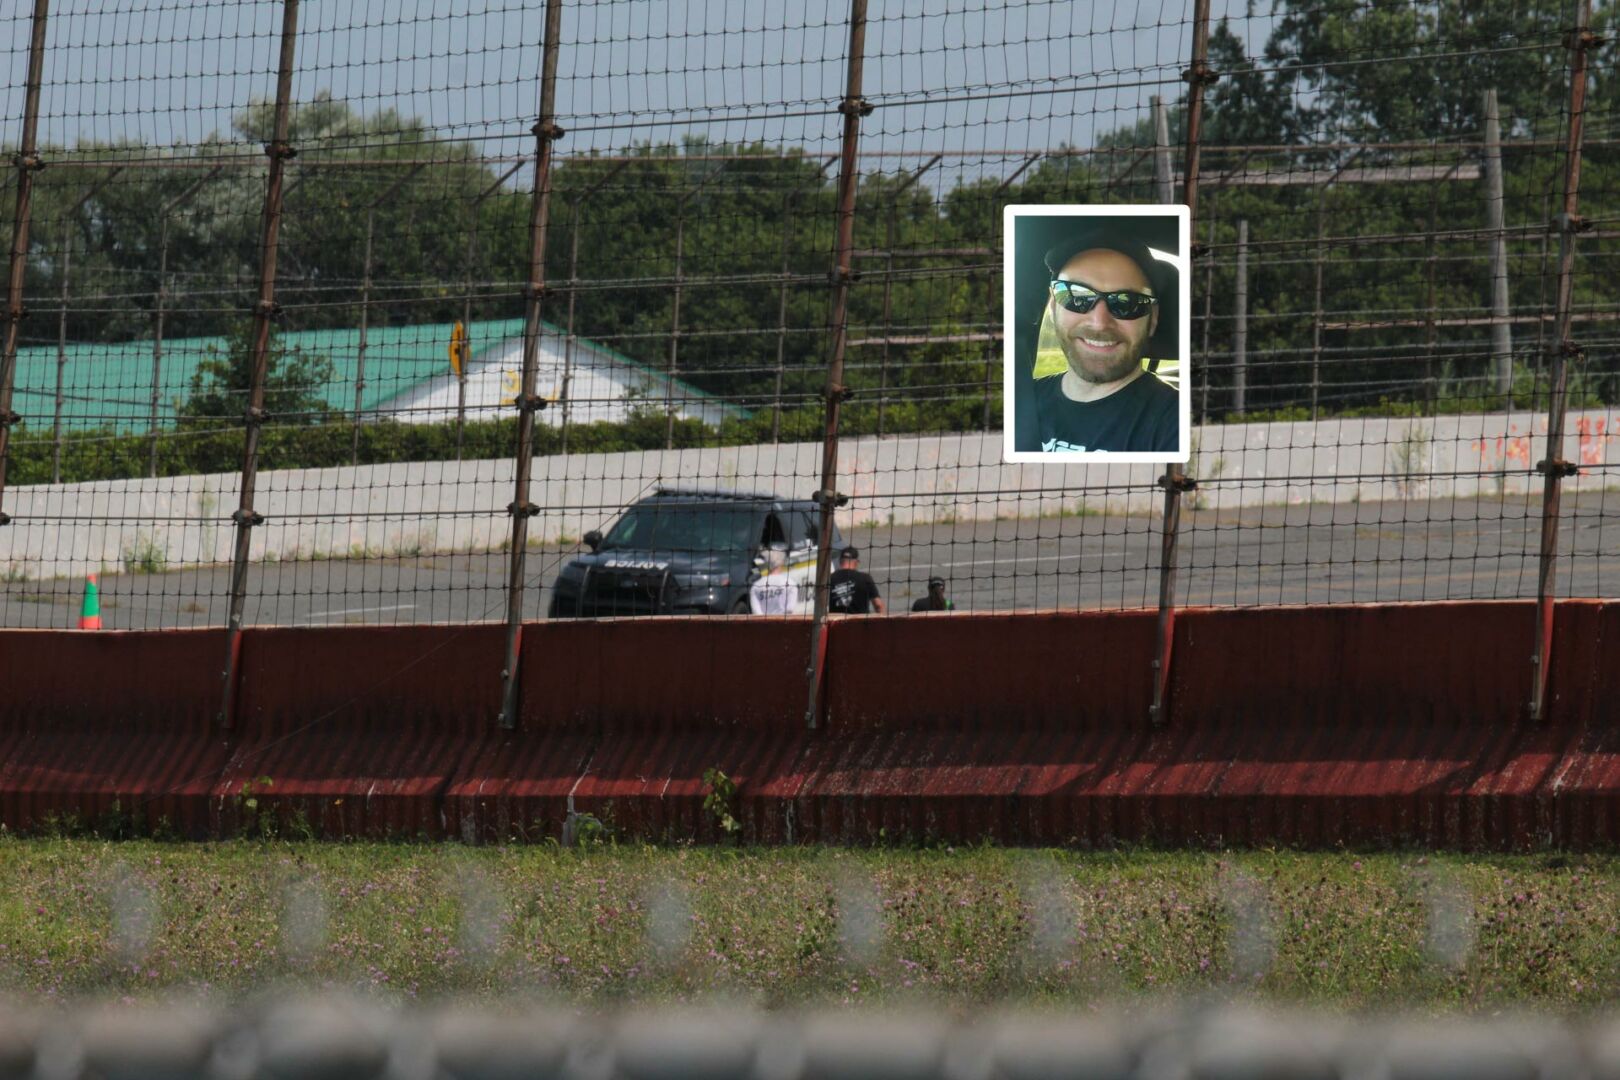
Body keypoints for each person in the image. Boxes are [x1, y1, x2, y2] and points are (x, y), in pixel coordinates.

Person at [1030, 233, 1179, 454]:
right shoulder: (1023, 401)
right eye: (1076, 296)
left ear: (1153, 318)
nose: (1099, 323)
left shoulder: (1173, 421)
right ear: (1053, 307)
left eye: (1126, 303)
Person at [828, 545, 884, 614]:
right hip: (860, 623)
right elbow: (878, 606)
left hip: (836, 623)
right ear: (856, 562)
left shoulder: (829, 579)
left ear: (840, 561)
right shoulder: (865, 578)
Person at [749, 546, 797, 615]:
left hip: (764, 624)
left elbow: (756, 612)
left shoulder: (756, 586)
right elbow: (790, 609)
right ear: (782, 562)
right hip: (784, 624)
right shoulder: (790, 584)